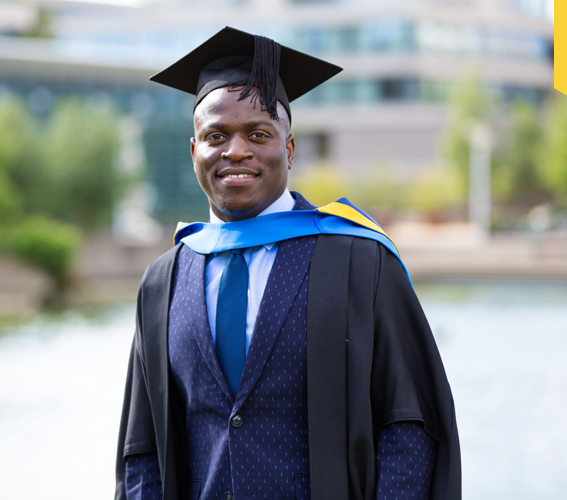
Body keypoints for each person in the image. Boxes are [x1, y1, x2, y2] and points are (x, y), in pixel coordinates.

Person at [115, 27, 460, 500]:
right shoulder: (164, 282)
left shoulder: (360, 261)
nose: (235, 150)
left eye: (258, 134)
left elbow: (409, 428)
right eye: (216, 136)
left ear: (289, 149)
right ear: (195, 153)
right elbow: (144, 450)